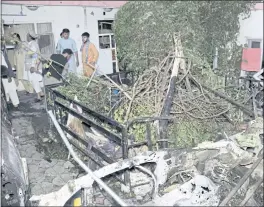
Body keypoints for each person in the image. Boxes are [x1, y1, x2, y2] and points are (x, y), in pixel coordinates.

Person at [24, 31, 44, 102]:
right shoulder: (30, 44)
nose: (26, 36)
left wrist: (33, 66)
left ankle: (38, 96)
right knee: (35, 81)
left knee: (34, 81)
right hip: (31, 65)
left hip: (33, 66)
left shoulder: (33, 44)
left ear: (30, 37)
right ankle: (41, 93)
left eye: (27, 35)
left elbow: (35, 56)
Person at [1, 44, 20, 108]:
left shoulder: (2, 54)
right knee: (5, 91)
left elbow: (6, 66)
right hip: (3, 76)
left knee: (11, 90)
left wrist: (9, 75)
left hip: (6, 75)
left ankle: (15, 104)